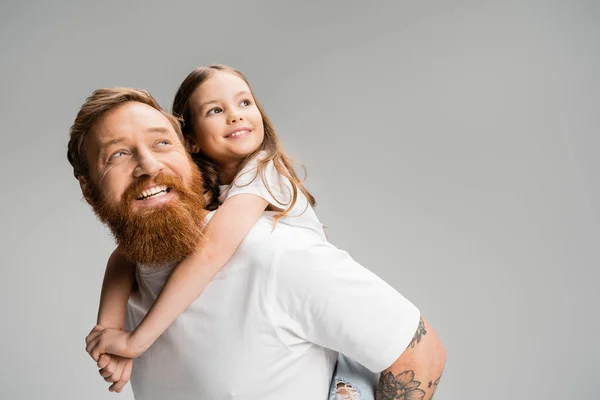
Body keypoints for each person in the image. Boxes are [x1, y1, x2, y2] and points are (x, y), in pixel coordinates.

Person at [70, 75, 446, 400]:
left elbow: (422, 353)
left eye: (162, 143)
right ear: (88, 190)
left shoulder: (269, 247)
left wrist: (135, 342)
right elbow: (122, 257)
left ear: (187, 152)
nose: (149, 166)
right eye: (118, 154)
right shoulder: (133, 272)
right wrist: (110, 330)